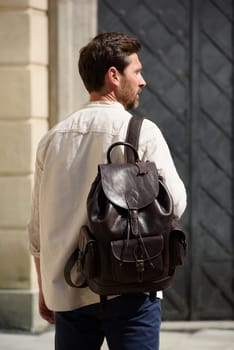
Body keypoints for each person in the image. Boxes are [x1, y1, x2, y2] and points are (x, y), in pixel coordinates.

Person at [28, 32, 187, 350]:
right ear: (113, 75)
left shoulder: (52, 140)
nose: (142, 81)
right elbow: (176, 204)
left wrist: (46, 289)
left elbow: (37, 229)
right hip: (130, 284)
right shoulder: (141, 132)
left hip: (69, 290)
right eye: (137, 71)